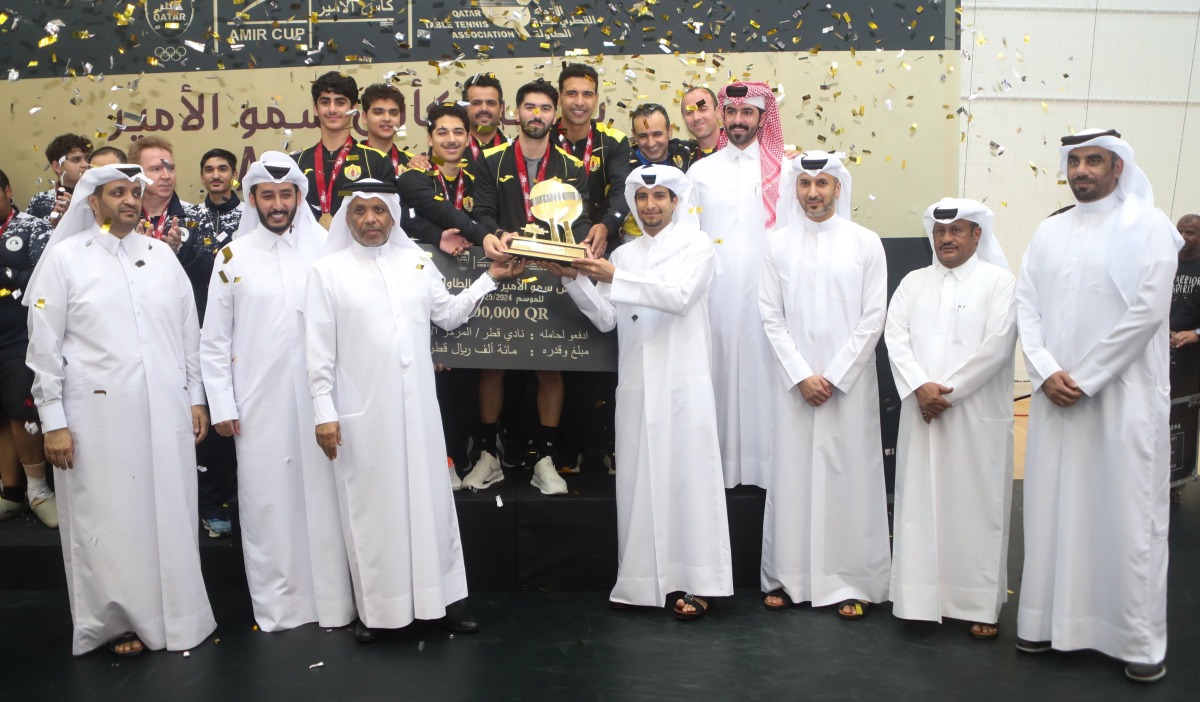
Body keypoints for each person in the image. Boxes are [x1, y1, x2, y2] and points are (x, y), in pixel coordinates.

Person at [305, 180, 523, 642]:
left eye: (379, 211)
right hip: (362, 415)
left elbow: (448, 314)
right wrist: (324, 411)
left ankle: (439, 603)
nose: (369, 220)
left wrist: (489, 279)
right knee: (372, 512)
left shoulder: (417, 262)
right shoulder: (327, 272)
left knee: (430, 507)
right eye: (360, 211)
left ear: (392, 215)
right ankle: (378, 612)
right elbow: (317, 352)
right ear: (347, 217)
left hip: (420, 411)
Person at [25, 164, 215, 657]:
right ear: (93, 202)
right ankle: (117, 621)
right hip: (95, 418)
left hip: (166, 411)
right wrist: (54, 423)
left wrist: (196, 397)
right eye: (118, 193)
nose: (130, 200)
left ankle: (177, 615)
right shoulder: (65, 259)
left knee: (169, 510)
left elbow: (187, 331)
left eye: (135, 192)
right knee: (109, 519)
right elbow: (42, 348)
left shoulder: (160, 256)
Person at [1015, 128, 1177, 683]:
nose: (1082, 170)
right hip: (1056, 397)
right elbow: (1026, 306)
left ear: (1119, 168)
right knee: (1052, 509)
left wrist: (1085, 377)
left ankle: (1135, 640)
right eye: (1076, 161)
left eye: (1094, 161)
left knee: (1128, 517)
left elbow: (1149, 309)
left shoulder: (1150, 227)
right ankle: (1044, 623)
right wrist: (1044, 370)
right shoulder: (1049, 230)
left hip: (1123, 401)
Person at [545, 164, 732, 619]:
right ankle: (642, 581)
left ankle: (699, 582)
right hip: (636, 385)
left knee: (690, 480)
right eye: (643, 198)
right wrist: (573, 278)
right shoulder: (625, 256)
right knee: (638, 483)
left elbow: (680, 296)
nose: (651, 205)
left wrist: (610, 276)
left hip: (683, 383)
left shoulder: (697, 245)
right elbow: (608, 318)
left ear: (675, 201)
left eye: (660, 197)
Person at [200, 154, 355, 632]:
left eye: (286, 194)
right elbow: (214, 341)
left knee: (326, 501)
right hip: (257, 405)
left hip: (321, 402)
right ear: (252, 199)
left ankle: (333, 604)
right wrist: (222, 403)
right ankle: (279, 607)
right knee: (268, 503)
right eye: (267, 195)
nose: (277, 204)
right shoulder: (231, 257)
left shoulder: (325, 253)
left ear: (299, 198)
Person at [758, 151, 891, 619]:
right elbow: (770, 316)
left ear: (838, 188)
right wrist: (802, 375)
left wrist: (833, 377)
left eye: (822, 183)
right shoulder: (775, 245)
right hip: (795, 386)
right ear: (794, 189)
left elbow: (874, 318)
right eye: (805, 183)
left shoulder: (865, 243)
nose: (813, 192)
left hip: (847, 386)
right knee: (792, 477)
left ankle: (853, 581)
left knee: (849, 477)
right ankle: (786, 577)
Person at [885, 198, 1018, 639]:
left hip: (974, 416)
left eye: (957, 231)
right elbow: (895, 338)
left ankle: (979, 604)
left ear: (976, 235)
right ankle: (918, 600)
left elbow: (997, 347)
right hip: (920, 413)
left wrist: (948, 393)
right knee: (918, 507)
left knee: (977, 507)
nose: (946, 239)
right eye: (940, 232)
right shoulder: (912, 282)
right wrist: (921, 386)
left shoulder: (999, 282)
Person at [462, 79, 591, 495]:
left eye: (544, 109)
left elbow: (582, 221)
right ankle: (487, 456)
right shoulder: (490, 159)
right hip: (505, 270)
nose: (537, 115)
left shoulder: (572, 167)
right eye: (529, 108)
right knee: (492, 363)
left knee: (550, 365)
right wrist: (500, 236)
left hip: (552, 276)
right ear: (515, 114)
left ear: (555, 116)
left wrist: (577, 244)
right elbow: (480, 212)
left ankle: (546, 460)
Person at [687, 81, 784, 489]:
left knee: (767, 378)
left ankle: (768, 468)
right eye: (732, 113)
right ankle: (721, 471)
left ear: (763, 118)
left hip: (770, 299)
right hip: (718, 298)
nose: (739, 120)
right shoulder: (700, 172)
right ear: (723, 117)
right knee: (720, 374)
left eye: (748, 113)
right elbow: (689, 238)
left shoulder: (785, 170)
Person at [129, 136, 226, 536]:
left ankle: (209, 501)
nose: (166, 175)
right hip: (136, 339)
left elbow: (214, 273)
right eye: (155, 168)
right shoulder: (120, 219)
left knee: (200, 419)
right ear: (137, 174)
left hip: (191, 335)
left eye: (169, 166)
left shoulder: (197, 217)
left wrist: (180, 250)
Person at [0, 169, 55, 527]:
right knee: (2, 414)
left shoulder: (33, 228)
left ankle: (39, 490)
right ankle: (11, 492)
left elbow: (44, 276)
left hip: (22, 338)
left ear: (7, 192)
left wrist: (5, 274)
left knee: (21, 409)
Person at [292, 72, 393, 226]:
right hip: (306, 248)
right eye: (325, 102)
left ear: (353, 108)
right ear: (315, 109)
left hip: (359, 248)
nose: (332, 109)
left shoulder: (377, 161)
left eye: (340, 102)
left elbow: (389, 216)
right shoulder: (296, 162)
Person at [555, 63, 631, 258]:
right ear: (559, 97)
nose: (579, 102)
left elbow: (621, 191)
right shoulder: (543, 138)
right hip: (549, 245)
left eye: (587, 94)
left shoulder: (614, 141)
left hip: (599, 245)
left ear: (596, 99)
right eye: (572, 93)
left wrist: (607, 225)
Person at [619, 104, 699, 243]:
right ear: (634, 135)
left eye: (657, 134)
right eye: (643, 136)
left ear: (669, 131)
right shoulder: (622, 166)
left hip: (683, 243)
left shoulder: (687, 152)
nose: (651, 143)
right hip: (636, 244)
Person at [1168, 213, 1200, 502]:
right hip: (1161, 349)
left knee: (1184, 416)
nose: (1183, 237)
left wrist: (1195, 334)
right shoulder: (1168, 261)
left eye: (1190, 232)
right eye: (1180, 231)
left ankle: (1177, 479)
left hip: (1191, 357)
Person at [359, 82, 429, 176]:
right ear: (364, 118)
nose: (387, 118)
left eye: (393, 113)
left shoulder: (412, 163)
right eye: (378, 112)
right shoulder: (348, 159)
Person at [184, 148, 244, 255]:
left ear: (234, 175)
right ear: (202, 177)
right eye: (209, 170)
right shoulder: (190, 215)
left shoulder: (248, 214)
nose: (215, 176)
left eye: (222, 169)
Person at [26, 134, 91, 227]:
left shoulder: (98, 195)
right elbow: (30, 237)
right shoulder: (40, 201)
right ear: (57, 167)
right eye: (76, 160)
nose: (85, 164)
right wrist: (53, 225)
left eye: (87, 159)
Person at [462, 73, 509, 172]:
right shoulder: (451, 149)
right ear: (465, 108)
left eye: (491, 103)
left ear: (501, 110)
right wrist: (422, 162)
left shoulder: (513, 150)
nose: (484, 109)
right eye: (476, 103)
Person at [680, 86, 722, 161]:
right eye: (689, 112)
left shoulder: (739, 148)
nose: (696, 117)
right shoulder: (686, 162)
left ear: (718, 111)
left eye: (702, 109)